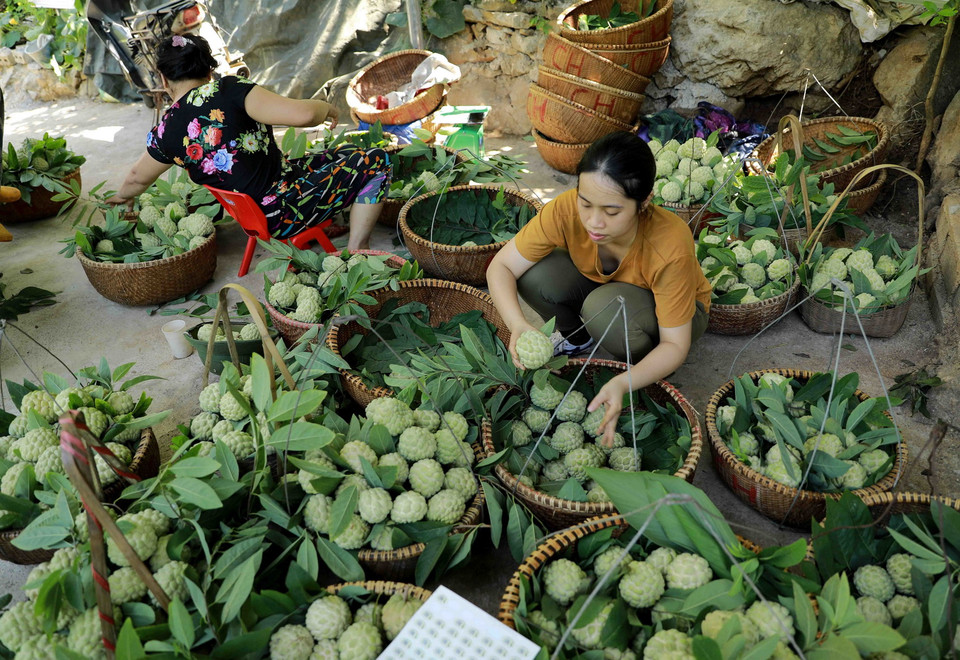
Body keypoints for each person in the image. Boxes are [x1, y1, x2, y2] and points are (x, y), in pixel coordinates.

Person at [486, 131, 711, 444]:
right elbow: (502, 266)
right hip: (604, 288)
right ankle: (577, 340)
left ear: (644, 202)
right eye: (586, 203)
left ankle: (641, 366)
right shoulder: (564, 211)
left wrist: (622, 383)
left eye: (612, 211)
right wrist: (517, 324)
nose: (594, 222)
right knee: (535, 273)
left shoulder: (669, 243)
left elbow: (676, 345)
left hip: (677, 316)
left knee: (602, 309)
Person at [106, 34, 390, 251]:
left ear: (163, 79)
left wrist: (121, 197)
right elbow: (304, 115)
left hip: (253, 217)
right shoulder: (230, 90)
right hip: (284, 210)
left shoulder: (166, 130)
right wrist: (325, 107)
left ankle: (328, 223)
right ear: (208, 73)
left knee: (349, 153)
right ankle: (357, 251)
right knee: (377, 160)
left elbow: (136, 178)